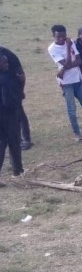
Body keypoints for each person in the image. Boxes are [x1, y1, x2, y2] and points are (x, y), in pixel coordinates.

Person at [0, 46, 32, 150]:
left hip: (12, 88)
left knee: (18, 113)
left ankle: (26, 139)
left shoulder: (8, 54)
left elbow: (20, 74)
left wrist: (21, 90)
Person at [0, 52, 24, 184]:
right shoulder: (4, 79)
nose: (7, 64)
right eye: (4, 62)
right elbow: (7, 101)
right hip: (8, 115)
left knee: (1, 143)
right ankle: (18, 171)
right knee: (14, 142)